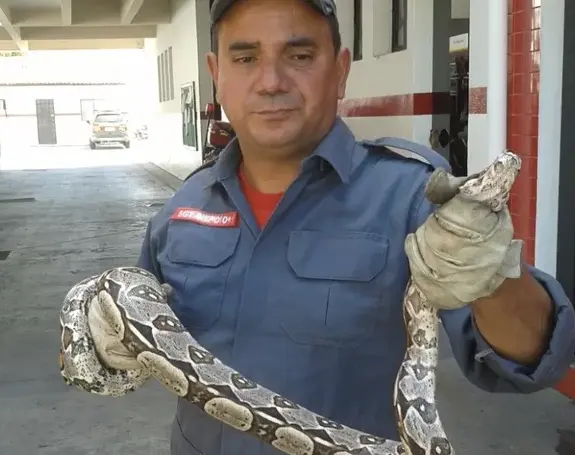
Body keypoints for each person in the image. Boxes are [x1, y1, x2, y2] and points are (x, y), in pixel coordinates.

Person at [82, 1, 575, 454]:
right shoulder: (182, 207)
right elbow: (128, 347)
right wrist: (102, 347)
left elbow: (533, 363)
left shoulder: (414, 195)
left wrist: (495, 276)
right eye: (246, 58)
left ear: (339, 71)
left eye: (299, 55)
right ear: (217, 75)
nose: (271, 80)